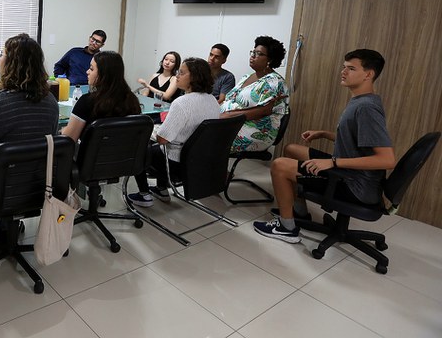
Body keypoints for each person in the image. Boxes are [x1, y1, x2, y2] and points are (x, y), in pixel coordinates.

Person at [254, 49, 395, 243]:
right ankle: (299, 212)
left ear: (368, 74)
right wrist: (324, 134)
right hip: (351, 173)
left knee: (279, 165)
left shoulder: (366, 108)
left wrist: (333, 163)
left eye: (351, 68)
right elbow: (359, 140)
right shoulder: (362, 100)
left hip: (355, 185)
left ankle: (286, 228)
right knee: (292, 149)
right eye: (344, 67)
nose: (343, 72)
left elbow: (387, 159)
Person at [0, 33, 59, 238]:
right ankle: (9, 223)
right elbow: (49, 142)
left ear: (10, 63)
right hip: (37, 179)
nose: (0, 58)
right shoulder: (51, 102)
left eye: (3, 54)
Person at [127, 58, 221, 207]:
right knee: (162, 146)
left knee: (138, 146)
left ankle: (144, 194)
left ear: (194, 78)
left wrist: (152, 131)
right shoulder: (212, 101)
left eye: (181, 73)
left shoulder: (182, 103)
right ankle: (161, 189)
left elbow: (162, 139)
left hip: (175, 163)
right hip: (199, 161)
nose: (177, 76)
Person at [220, 36, 288, 152]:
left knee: (204, 137)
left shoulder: (274, 81)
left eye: (259, 54)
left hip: (254, 130)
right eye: (253, 52)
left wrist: (228, 115)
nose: (253, 56)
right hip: (231, 123)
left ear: (270, 60)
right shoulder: (247, 77)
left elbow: (263, 111)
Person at [61, 51, 141, 142]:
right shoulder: (132, 101)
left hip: (91, 151)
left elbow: (69, 139)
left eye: (91, 69)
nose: (87, 72)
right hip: (125, 150)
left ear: (103, 74)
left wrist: (63, 130)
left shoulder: (86, 101)